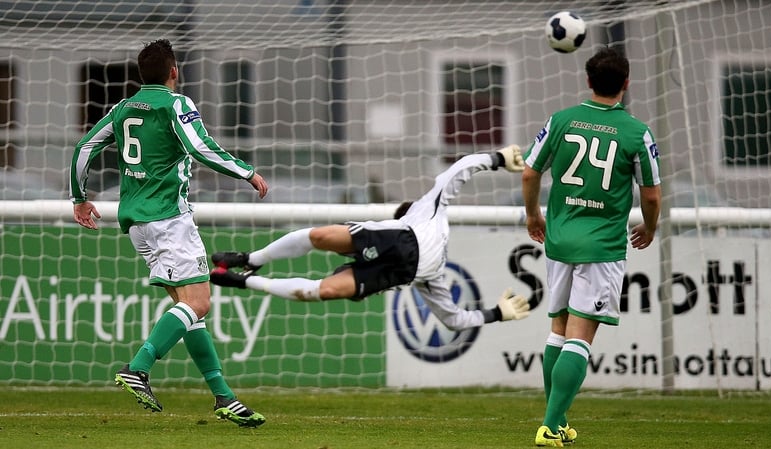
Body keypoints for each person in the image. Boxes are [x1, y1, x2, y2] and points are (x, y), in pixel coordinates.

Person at [69, 39, 269, 427]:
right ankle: (138, 367)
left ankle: (223, 397)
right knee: (200, 302)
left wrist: (79, 199)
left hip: (137, 223)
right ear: (174, 71)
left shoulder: (123, 108)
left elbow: (83, 148)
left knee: (189, 311)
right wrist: (246, 172)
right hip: (169, 219)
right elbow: (200, 147)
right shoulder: (175, 104)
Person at [210, 145, 532, 331]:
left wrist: (496, 314)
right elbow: (461, 168)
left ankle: (243, 281)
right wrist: (497, 158)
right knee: (320, 236)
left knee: (326, 291)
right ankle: (250, 259)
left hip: (399, 272)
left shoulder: (431, 247)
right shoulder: (417, 215)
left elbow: (453, 319)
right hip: (397, 238)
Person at [522, 48, 661, 447]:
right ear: (626, 83)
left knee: (559, 331)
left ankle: (559, 420)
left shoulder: (560, 121)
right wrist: (650, 227)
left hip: (559, 240)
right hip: (601, 247)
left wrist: (533, 216)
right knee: (580, 337)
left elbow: (530, 172)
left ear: (588, 81)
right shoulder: (636, 132)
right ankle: (550, 426)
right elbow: (651, 195)